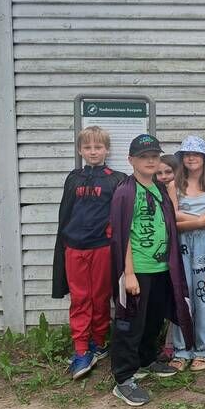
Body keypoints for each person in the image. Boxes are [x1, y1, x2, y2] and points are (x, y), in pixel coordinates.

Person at [109, 134, 194, 406]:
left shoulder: (159, 188)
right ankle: (123, 378)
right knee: (130, 323)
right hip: (138, 269)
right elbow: (122, 235)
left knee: (153, 319)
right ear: (131, 160)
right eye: (143, 157)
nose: (150, 161)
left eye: (154, 156)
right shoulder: (125, 191)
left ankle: (146, 360)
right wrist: (129, 273)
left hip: (160, 267)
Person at [52, 126, 126, 379]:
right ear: (80, 150)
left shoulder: (117, 179)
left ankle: (99, 341)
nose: (93, 152)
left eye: (98, 147)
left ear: (107, 150)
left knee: (101, 296)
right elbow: (65, 213)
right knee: (80, 298)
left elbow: (120, 215)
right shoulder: (73, 178)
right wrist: (66, 242)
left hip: (102, 248)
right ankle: (81, 348)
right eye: (87, 147)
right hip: (74, 248)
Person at [167, 136, 205, 372]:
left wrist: (189, 219)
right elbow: (171, 219)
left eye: (196, 154)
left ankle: (203, 350)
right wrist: (200, 220)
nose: (191, 158)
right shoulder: (174, 185)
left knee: (204, 297)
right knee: (181, 296)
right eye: (187, 154)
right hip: (180, 247)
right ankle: (181, 350)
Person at [154, 154, 179, 362]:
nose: (163, 176)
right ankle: (157, 341)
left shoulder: (182, 191)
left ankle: (171, 344)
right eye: (159, 173)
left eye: (168, 172)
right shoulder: (151, 193)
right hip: (157, 255)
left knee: (175, 297)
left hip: (179, 251)